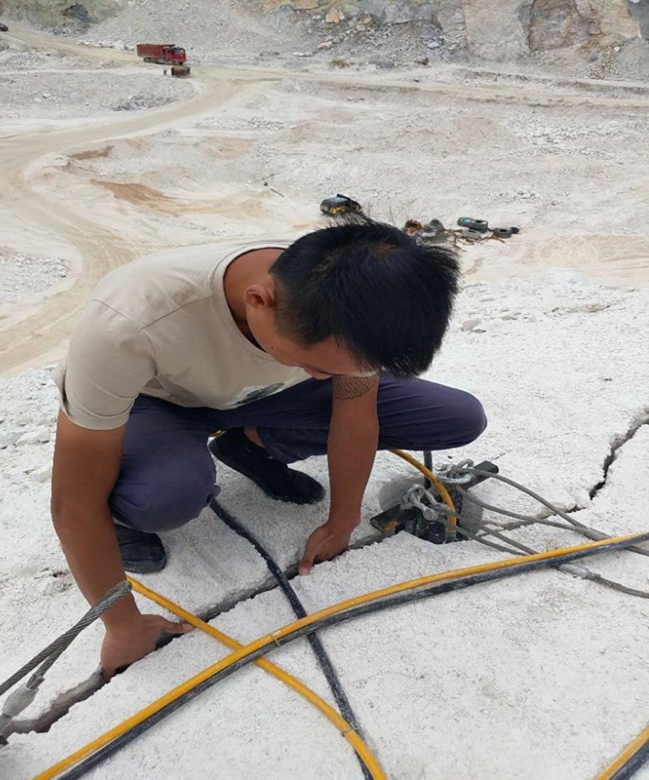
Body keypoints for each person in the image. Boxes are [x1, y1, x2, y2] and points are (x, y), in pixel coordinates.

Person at [51, 216, 487, 678]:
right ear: (258, 301)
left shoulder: (350, 303)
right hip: (161, 401)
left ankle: (252, 446)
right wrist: (121, 626)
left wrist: (343, 519)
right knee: (164, 498)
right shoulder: (128, 323)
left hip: (261, 394)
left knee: (456, 417)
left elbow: (354, 413)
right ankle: (125, 516)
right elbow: (73, 502)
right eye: (315, 365)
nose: (326, 378)